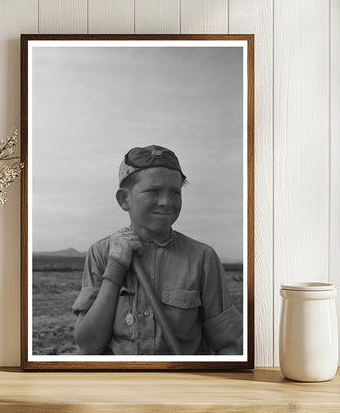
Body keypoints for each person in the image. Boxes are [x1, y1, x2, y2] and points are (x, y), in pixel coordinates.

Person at [73, 145, 242, 355]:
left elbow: (225, 345)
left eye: (175, 192)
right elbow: (88, 345)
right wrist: (115, 267)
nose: (167, 202)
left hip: (181, 384)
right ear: (124, 199)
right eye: (153, 191)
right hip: (121, 384)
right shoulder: (100, 253)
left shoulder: (203, 258)